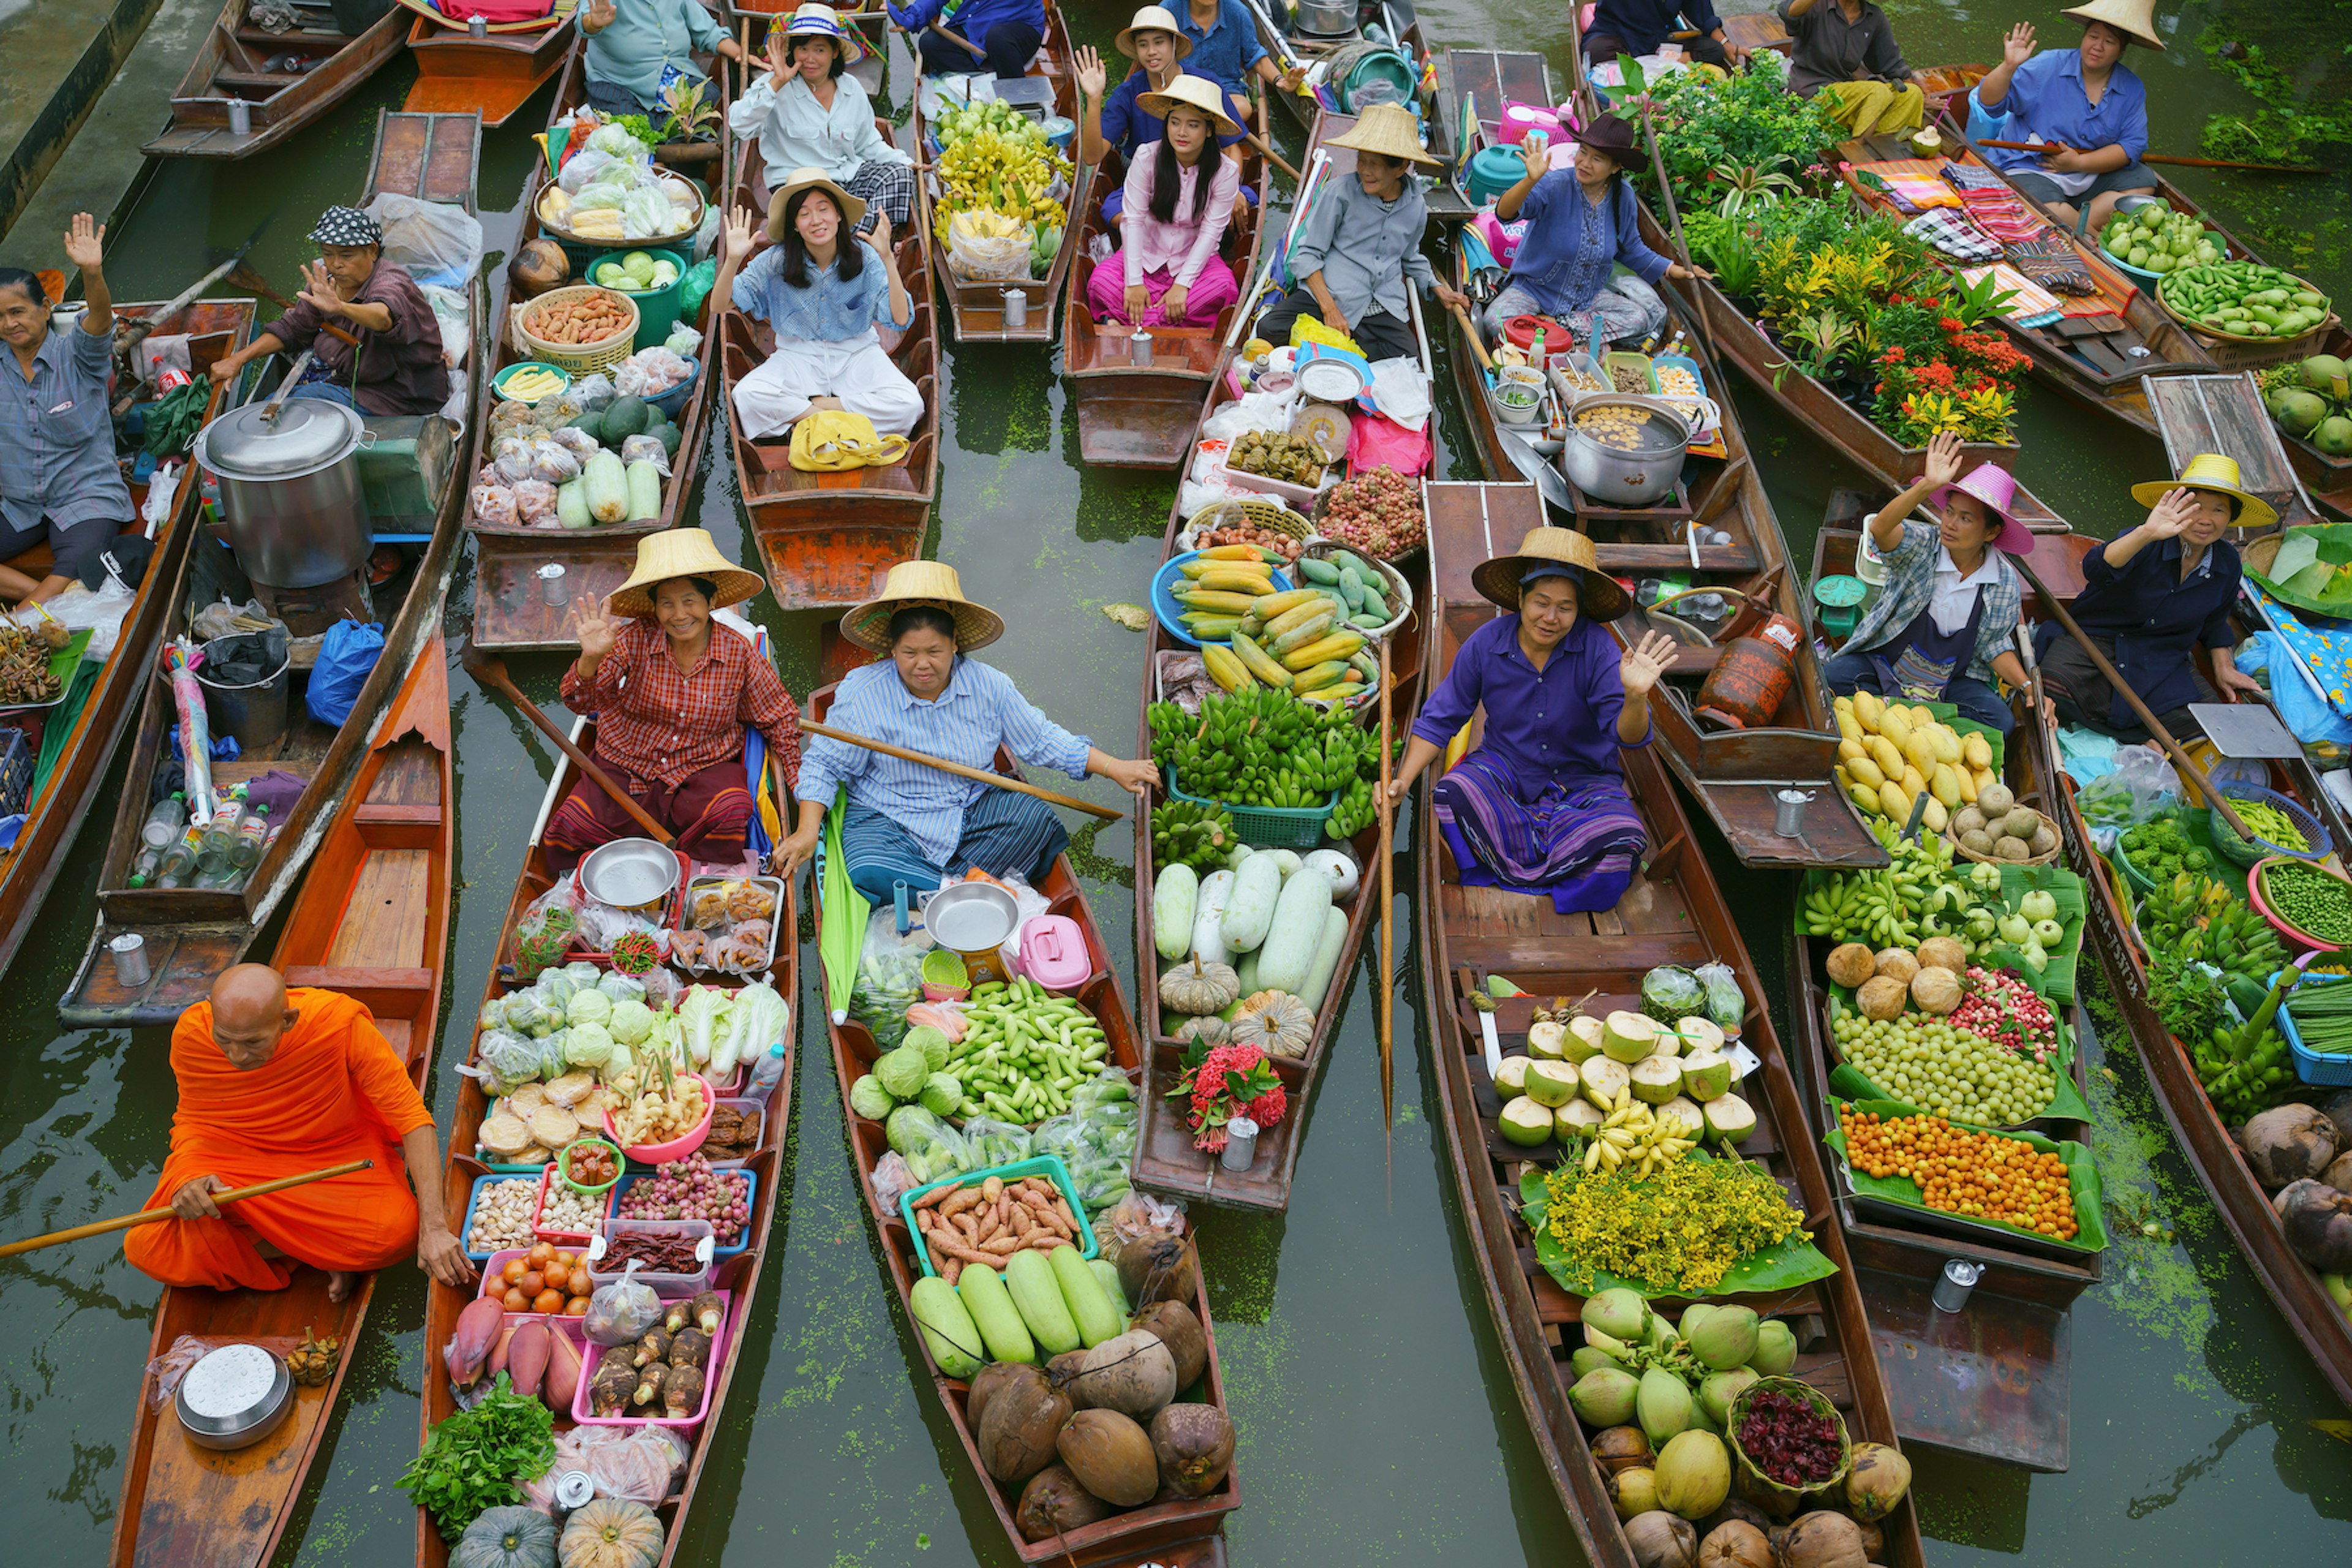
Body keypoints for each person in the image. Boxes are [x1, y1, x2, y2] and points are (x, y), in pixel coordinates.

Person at [777, 560, 1158, 894]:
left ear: (955, 645)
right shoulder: (862, 690)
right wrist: (808, 830)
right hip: (889, 815)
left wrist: (1114, 767)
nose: (922, 665)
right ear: (892, 649)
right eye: (909, 653)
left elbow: (1041, 739)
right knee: (868, 867)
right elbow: (825, 764)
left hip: (970, 809)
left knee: (1035, 819)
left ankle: (939, 888)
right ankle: (964, 887)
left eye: (935, 652)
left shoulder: (989, 685)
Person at [123, 965, 471, 1302]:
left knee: (397, 1233)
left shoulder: (338, 1025)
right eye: (224, 1040)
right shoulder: (190, 1035)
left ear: (288, 1020)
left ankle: (313, 1251)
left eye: (253, 1042)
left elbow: (411, 1117)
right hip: (238, 1162)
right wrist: (191, 1179)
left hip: (330, 1155)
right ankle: (327, 1254)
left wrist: (435, 1228)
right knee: (146, 1247)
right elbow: (194, 1120)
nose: (237, 1056)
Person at [1384, 527, 1679, 914]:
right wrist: (1402, 781)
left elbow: (1627, 735)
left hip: (1585, 780)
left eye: (1565, 607)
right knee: (1453, 792)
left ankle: (1521, 863)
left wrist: (1636, 697)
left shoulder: (1597, 647)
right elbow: (1441, 717)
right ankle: (1560, 860)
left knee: (1623, 836)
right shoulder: (1486, 643)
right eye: (1541, 602)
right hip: (1507, 769)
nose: (1551, 618)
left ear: (1579, 610)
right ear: (1520, 598)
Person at [550, 529, 803, 873]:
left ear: (711, 603)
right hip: (626, 764)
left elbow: (779, 717)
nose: (679, 614)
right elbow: (582, 702)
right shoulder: (632, 638)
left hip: (700, 767)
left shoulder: (738, 652)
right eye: (667, 603)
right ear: (655, 608)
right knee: (570, 827)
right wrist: (590, 659)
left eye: (690, 600)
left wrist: (800, 787)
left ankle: (690, 873)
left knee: (731, 812)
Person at [2034, 453, 2267, 743]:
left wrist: (2223, 667)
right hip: (2097, 644)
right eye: (2195, 507)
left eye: (2218, 511)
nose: (2205, 520)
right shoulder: (2145, 539)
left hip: (2161, 661)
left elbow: (2215, 622)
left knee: (2209, 725)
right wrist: (2146, 533)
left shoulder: (2228, 563)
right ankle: (2141, 738)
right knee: (2052, 682)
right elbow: (2095, 569)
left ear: (2230, 518)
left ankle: (2136, 735)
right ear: (2178, 505)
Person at [1823, 431, 2033, 736]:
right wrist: (1927, 486)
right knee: (1831, 676)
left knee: (2001, 722)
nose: (1950, 523)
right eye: (1949, 511)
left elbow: (1994, 646)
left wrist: (2027, 686)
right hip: (1886, 665)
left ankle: (1904, 717)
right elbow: (1881, 530)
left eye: (1965, 518)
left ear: (1990, 533)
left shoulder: (2003, 583)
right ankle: (1917, 721)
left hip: (1947, 685)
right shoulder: (1923, 545)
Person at [1252, 104, 1470, 362]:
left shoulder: (1416, 205)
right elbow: (1308, 255)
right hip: (1332, 292)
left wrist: (1436, 287)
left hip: (1382, 303)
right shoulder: (1339, 193)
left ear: (1400, 168)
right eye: (1361, 160)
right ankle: (1343, 352)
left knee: (1408, 359)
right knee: (1269, 329)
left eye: (1374, 165)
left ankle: (1335, 354)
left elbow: (1410, 257)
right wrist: (1329, 309)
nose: (1365, 170)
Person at [720, 170, 922, 442]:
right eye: (804, 214)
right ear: (794, 224)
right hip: (798, 356)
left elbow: (900, 318)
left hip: (857, 353)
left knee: (910, 404)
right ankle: (823, 417)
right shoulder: (775, 261)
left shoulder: (866, 258)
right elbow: (719, 305)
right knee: (746, 394)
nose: (816, 220)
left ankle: (825, 408)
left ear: (839, 215)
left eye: (823, 209)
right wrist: (732, 260)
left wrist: (887, 257)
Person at [0, 214, 137, 608]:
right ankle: (39, 596)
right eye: (1, 316)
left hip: (84, 497)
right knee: (68, 582)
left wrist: (92, 272)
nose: (10, 324)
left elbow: (98, 319)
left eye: (18, 312)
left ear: (45, 308)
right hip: (19, 503)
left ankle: (16, 633)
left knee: (79, 563)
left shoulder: (77, 356)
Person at [1483, 113, 1703, 348]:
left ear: (1616, 167)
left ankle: (1555, 329)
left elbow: (1630, 248)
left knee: (1638, 318)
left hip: (1587, 299)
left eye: (1597, 159)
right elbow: (1504, 214)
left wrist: (1673, 269)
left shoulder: (1623, 196)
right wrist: (1529, 180)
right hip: (1534, 290)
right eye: (1583, 152)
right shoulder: (1554, 184)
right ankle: (1564, 336)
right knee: (1495, 320)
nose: (1585, 163)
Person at [207, 206, 448, 417]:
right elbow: (294, 329)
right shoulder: (326, 280)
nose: (335, 264)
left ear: (373, 251)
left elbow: (384, 317)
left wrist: (341, 307)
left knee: (289, 407)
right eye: (327, 254)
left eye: (346, 255)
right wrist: (239, 359)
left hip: (399, 394)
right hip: (354, 380)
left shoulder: (391, 282)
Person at [1971, 3, 2159, 233]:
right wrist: (2008, 67)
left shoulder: (2131, 88)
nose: (2097, 46)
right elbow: (1990, 104)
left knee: (2144, 182)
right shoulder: (2050, 64)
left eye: (2109, 42)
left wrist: (2079, 163)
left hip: (2087, 171)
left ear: (2121, 51)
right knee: (2048, 205)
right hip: (2031, 168)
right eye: (2093, 36)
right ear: (2084, 37)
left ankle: (2073, 221)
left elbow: (2131, 146)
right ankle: (2092, 238)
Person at [730, 5, 913, 235]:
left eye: (819, 50)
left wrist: (906, 163)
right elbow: (739, 125)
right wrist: (777, 82)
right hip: (797, 184)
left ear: (835, 52)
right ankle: (855, 240)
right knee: (821, 208)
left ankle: (854, 239)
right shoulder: (773, 85)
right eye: (803, 49)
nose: (810, 59)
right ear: (793, 51)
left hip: (844, 178)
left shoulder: (851, 88)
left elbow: (868, 144)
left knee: (899, 175)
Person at [1085, 76, 1243, 330]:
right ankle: (1164, 322)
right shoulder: (1147, 156)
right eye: (1175, 122)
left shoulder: (1225, 172)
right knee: (1101, 281)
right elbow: (1133, 220)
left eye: (1193, 125)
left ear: (1209, 130)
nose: (1181, 132)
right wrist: (1134, 283)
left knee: (1223, 289)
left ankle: (1128, 321)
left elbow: (1211, 233)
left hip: (1194, 262)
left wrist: (1182, 285)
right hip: (1144, 255)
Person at [1778, 0, 1929, 137]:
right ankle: (1857, 152)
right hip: (1811, 94)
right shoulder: (1817, 6)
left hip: (1846, 97)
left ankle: (1877, 146)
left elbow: (1893, 65)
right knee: (1878, 91)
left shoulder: (1874, 17)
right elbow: (1788, 12)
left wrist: (1922, 96)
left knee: (1912, 94)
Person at [577, 0, 745, 119]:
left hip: (674, 76)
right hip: (621, 83)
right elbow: (584, 22)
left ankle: (681, 159)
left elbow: (708, 32)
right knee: (629, 124)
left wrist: (744, 55)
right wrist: (595, 22)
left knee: (708, 97)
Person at [1170, 0, 1302, 105]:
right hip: (1181, 86)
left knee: (1242, 107)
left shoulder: (1238, 12)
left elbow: (1254, 55)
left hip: (1224, 90)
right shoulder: (1169, 9)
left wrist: (1280, 80)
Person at [889, 0, 1045, 79]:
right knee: (930, 43)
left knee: (998, 38)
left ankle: (1018, 99)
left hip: (1019, 26)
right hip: (977, 22)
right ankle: (978, 84)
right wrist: (913, 18)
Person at [1582, 0, 1744, 72]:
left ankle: (1648, 67)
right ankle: (1647, 67)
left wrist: (1726, 44)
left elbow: (1703, 14)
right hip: (1617, 33)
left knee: (1714, 50)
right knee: (1597, 53)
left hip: (1657, 40)